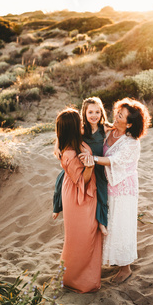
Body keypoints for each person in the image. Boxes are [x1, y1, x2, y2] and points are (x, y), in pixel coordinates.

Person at [79, 98, 151, 284]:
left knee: (122, 225)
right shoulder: (110, 130)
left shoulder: (132, 143)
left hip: (124, 188)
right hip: (108, 184)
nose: (116, 115)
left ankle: (125, 268)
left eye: (121, 115)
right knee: (110, 222)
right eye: (118, 112)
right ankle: (113, 260)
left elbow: (114, 161)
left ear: (129, 124)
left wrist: (91, 158)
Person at [52, 108, 102, 293]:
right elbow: (82, 180)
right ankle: (73, 279)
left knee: (88, 235)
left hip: (83, 193)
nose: (83, 123)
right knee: (81, 238)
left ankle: (85, 277)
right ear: (72, 128)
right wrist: (89, 167)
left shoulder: (76, 142)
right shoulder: (70, 153)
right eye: (79, 122)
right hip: (78, 197)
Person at [53, 97, 110, 236]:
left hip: (97, 164)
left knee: (101, 191)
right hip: (83, 165)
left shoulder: (105, 128)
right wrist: (57, 144)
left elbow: (118, 129)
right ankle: (57, 207)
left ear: (102, 113)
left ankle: (102, 222)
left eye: (97, 112)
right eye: (90, 112)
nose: (94, 116)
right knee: (60, 180)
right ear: (84, 113)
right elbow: (65, 133)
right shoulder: (82, 129)